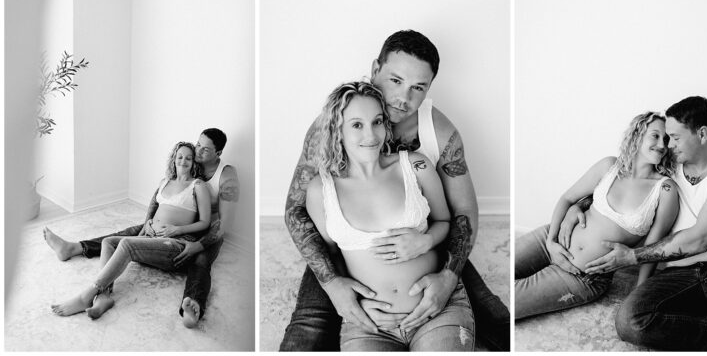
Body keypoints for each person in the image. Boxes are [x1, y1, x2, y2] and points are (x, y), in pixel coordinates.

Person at [280, 30, 508, 351]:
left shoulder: (439, 133)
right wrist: (332, 283)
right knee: (308, 330)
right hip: (351, 246)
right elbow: (294, 208)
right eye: (396, 80)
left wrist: (447, 276)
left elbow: (463, 213)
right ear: (375, 69)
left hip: (422, 240)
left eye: (418, 87)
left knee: (495, 318)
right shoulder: (331, 126)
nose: (404, 98)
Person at [560, 96, 707, 351]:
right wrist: (577, 206)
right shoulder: (672, 167)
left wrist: (633, 256)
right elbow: (626, 186)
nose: (668, 145)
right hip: (677, 275)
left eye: (675, 138)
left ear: (701, 134)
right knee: (629, 321)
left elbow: (699, 240)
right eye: (666, 138)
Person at [304, 81, 472, 350]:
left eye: (377, 121)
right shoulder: (320, 190)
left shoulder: (416, 165)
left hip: (435, 309)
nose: (371, 135)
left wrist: (427, 240)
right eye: (357, 124)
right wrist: (354, 301)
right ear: (338, 129)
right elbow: (333, 253)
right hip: (370, 324)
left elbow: (445, 221)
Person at [43, 128, 239, 327]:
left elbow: (223, 225)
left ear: (218, 153)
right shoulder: (174, 176)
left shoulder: (222, 177)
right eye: (197, 145)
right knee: (118, 238)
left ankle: (193, 305)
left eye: (204, 150)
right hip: (165, 230)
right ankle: (92, 276)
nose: (197, 151)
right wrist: (148, 224)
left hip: (203, 233)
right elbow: (156, 202)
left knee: (200, 261)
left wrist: (192, 242)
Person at [515, 112, 681, 319]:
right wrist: (551, 242)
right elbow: (567, 198)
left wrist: (638, 295)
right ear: (638, 136)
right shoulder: (609, 166)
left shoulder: (665, 190)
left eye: (666, 139)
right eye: (655, 136)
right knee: (499, 273)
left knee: (509, 301)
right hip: (550, 239)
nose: (662, 144)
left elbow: (654, 248)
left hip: (582, 276)